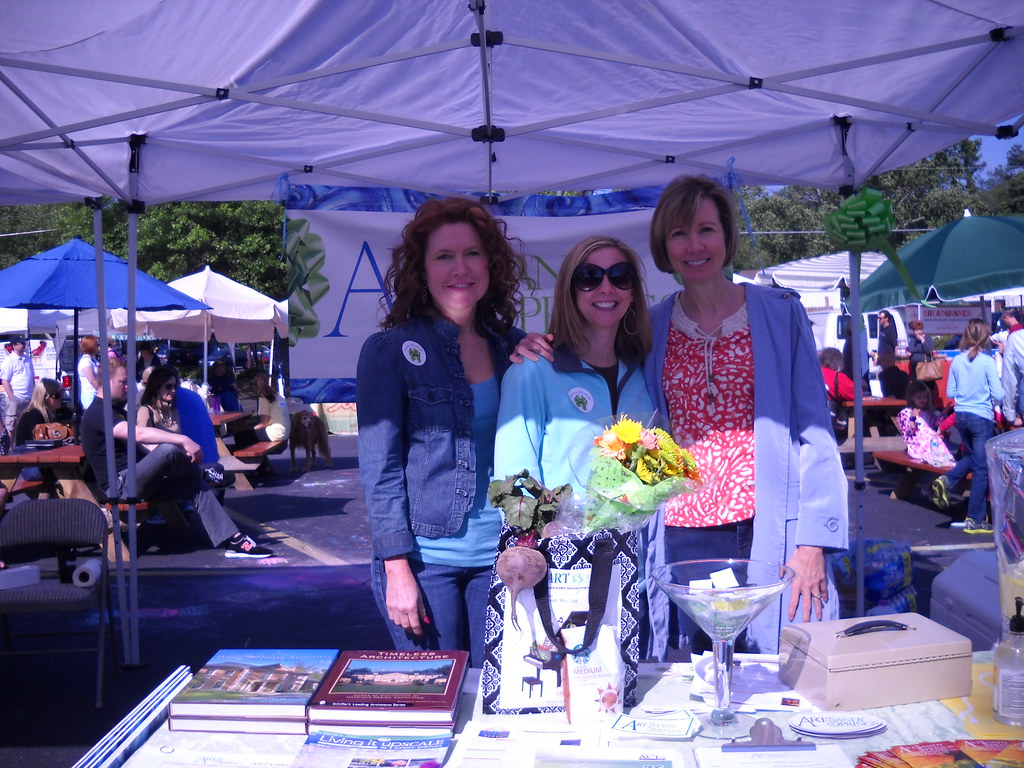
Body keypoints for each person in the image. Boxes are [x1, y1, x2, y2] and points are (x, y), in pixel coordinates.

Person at [643, 174, 847, 657]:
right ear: (664, 246)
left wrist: (813, 542)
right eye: (678, 233)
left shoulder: (779, 313)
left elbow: (815, 430)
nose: (694, 245)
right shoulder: (650, 326)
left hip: (770, 528)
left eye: (706, 229)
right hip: (684, 532)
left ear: (727, 237)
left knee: (783, 668)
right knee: (700, 671)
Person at [356, 196, 525, 667]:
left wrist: (531, 538)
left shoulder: (511, 347)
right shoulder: (389, 350)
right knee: (437, 702)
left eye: (472, 254)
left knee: (498, 697)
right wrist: (397, 569)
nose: (460, 268)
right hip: (425, 564)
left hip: (502, 556)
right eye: (444, 256)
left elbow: (527, 452)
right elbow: (380, 467)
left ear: (490, 264)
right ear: (422, 270)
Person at [494, 235, 653, 489]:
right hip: (555, 530)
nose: (606, 287)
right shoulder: (532, 370)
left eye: (620, 275)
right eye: (589, 277)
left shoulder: (646, 371)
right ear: (570, 291)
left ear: (632, 293)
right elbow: (514, 481)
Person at [80, 359, 271, 558]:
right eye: (123, 382)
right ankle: (205, 472)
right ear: (106, 381)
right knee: (168, 450)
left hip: (140, 480)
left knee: (195, 484)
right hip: (120, 485)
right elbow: (139, 434)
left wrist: (176, 459)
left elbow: (140, 445)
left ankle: (234, 540)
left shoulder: (115, 410)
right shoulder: (98, 412)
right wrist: (183, 440)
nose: (128, 386)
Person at [931, 318, 1003, 534]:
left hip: (961, 416)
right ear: (984, 338)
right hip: (981, 416)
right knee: (981, 468)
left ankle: (948, 479)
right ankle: (975, 519)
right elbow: (998, 394)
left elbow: (951, 393)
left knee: (974, 457)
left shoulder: (957, 361)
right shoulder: (987, 361)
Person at [896, 381, 954, 467]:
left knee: (940, 451)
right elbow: (908, 433)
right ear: (911, 397)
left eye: (925, 397)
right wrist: (912, 418)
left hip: (931, 441)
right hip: (917, 443)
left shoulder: (928, 412)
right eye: (919, 397)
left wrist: (944, 413)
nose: (923, 400)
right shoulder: (905, 413)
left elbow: (935, 424)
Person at [231, 369, 290, 453]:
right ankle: (258, 460)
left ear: (256, 386)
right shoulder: (277, 395)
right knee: (248, 435)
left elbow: (263, 423)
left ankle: (248, 459)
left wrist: (252, 430)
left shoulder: (264, 397)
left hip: (276, 433)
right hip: (285, 432)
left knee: (239, 436)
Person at [14, 378, 69, 446]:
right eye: (57, 395)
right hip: (27, 455)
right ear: (45, 397)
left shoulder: (48, 413)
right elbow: (39, 444)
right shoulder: (33, 416)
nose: (61, 397)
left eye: (62, 393)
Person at [1, 336, 35, 437]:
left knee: (26, 425)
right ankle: (10, 449)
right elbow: (5, 380)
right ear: (14, 346)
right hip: (16, 398)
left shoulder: (27, 359)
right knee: (11, 426)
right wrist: (12, 398)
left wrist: (33, 394)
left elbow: (31, 377)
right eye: (21, 343)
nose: (24, 344)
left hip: (28, 399)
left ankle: (23, 447)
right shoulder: (9, 361)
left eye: (24, 342)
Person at [137, 366, 181, 440]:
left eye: (175, 386)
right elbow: (141, 442)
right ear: (157, 387)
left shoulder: (174, 411)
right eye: (169, 386)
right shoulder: (145, 411)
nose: (173, 390)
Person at [906, 319, 934, 384]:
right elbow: (911, 349)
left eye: (920, 330)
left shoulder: (927, 338)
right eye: (916, 330)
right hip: (914, 366)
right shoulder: (912, 339)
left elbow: (928, 351)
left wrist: (922, 340)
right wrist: (909, 352)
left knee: (926, 385)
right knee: (916, 385)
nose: (919, 332)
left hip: (925, 365)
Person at [77, 334, 100, 410]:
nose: (98, 347)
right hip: (90, 394)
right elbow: (92, 380)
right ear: (91, 346)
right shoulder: (86, 361)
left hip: (94, 393)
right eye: (97, 345)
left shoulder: (92, 359)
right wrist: (102, 391)